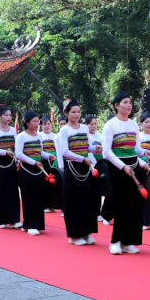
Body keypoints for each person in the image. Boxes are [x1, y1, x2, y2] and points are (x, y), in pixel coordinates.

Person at [102, 91, 150, 255]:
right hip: (117, 169)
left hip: (134, 167)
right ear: (116, 106)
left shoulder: (132, 125)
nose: (129, 105)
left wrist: (144, 154)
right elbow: (107, 152)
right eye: (125, 102)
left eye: (130, 102)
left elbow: (135, 148)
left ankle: (128, 241)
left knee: (135, 205)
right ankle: (115, 242)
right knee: (121, 205)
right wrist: (122, 166)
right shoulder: (111, 125)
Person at [59, 98, 98, 246]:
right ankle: (74, 235)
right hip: (73, 168)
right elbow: (65, 151)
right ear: (66, 113)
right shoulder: (64, 130)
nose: (77, 114)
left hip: (85, 168)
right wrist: (82, 159)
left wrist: (95, 149)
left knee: (87, 201)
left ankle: (86, 232)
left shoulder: (84, 128)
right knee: (73, 201)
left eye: (78, 112)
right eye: (73, 112)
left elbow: (86, 147)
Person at [15, 110, 47, 235]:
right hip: (26, 169)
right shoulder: (21, 136)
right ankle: (29, 224)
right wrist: (33, 162)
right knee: (28, 197)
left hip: (38, 169)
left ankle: (37, 224)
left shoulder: (39, 136)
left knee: (38, 197)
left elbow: (40, 152)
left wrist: (48, 155)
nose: (37, 123)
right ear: (27, 123)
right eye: (34, 121)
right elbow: (18, 154)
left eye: (37, 121)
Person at [0, 105, 21, 229]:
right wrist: (4, 152)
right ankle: (1, 220)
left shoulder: (13, 130)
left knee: (12, 190)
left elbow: (16, 146)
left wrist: (17, 157)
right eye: (6, 115)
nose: (8, 117)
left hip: (11, 162)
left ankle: (14, 219)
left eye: (10, 115)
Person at [38, 116, 60, 213]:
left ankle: (52, 205)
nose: (47, 126)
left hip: (54, 162)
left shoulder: (55, 136)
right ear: (41, 126)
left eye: (48, 124)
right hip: (43, 163)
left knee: (54, 184)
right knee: (44, 184)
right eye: (44, 124)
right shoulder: (39, 136)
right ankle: (44, 205)